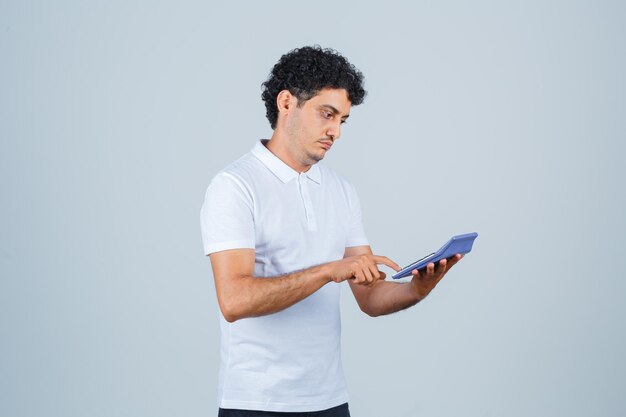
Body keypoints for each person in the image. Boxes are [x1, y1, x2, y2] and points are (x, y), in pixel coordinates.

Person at [200, 45, 463, 417]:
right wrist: (328, 270)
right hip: (257, 402)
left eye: (342, 120)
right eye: (327, 114)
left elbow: (370, 298)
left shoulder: (341, 190)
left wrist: (417, 289)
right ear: (286, 102)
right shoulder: (235, 185)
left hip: (329, 401)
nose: (335, 131)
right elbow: (234, 300)